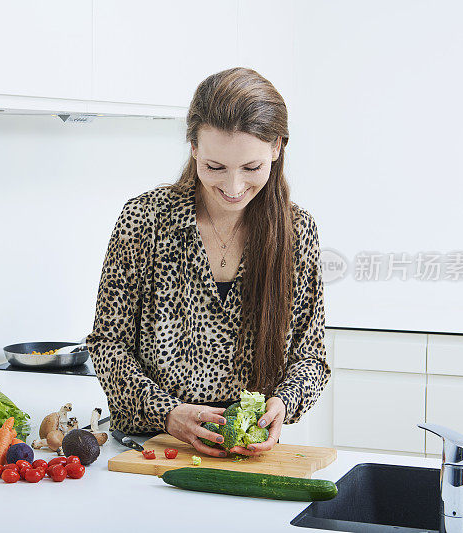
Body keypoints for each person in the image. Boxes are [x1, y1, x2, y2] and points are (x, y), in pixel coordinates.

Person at [85, 67, 331, 458]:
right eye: (215, 167)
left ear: (277, 148)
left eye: (251, 168)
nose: (233, 188)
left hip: (248, 455)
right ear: (194, 147)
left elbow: (310, 358)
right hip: (149, 448)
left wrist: (284, 403)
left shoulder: (297, 232)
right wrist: (167, 413)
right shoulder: (144, 220)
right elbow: (107, 344)